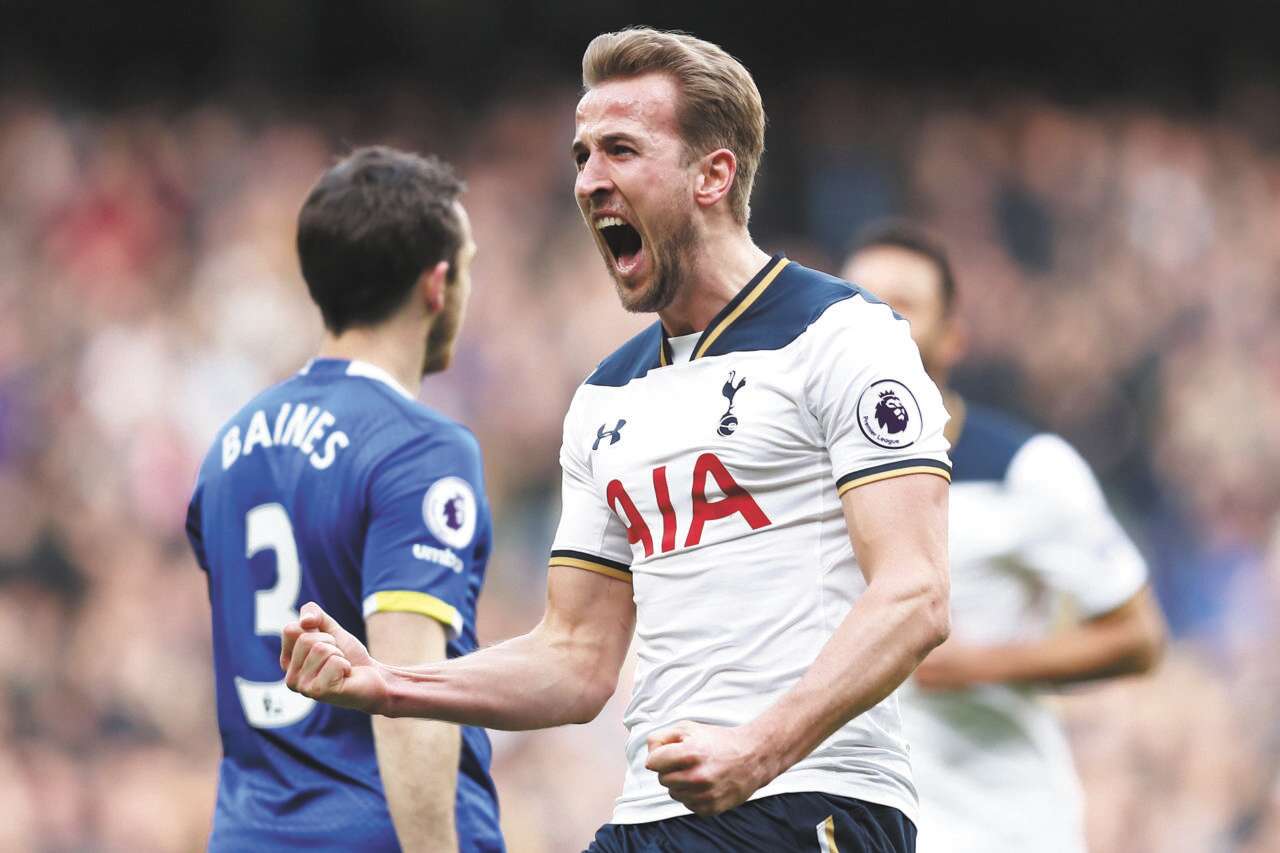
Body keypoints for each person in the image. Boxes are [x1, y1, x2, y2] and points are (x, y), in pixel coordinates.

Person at [281, 30, 951, 852]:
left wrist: (758, 749)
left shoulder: (843, 335)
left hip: (810, 797)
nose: (588, 179)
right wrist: (389, 681)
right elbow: (575, 656)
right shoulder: (606, 396)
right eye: (582, 154)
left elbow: (915, 595)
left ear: (713, 176)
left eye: (621, 150)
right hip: (651, 811)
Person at [185, 146, 503, 852]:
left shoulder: (229, 445)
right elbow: (409, 692)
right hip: (377, 833)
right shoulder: (420, 448)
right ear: (436, 284)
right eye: (467, 266)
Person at [842, 221, 1166, 853]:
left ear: (953, 336)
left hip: (1004, 826)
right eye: (857, 300)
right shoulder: (804, 477)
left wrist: (978, 665)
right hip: (871, 826)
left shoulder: (1028, 471)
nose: (877, 317)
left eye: (902, 303)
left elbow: (1139, 637)